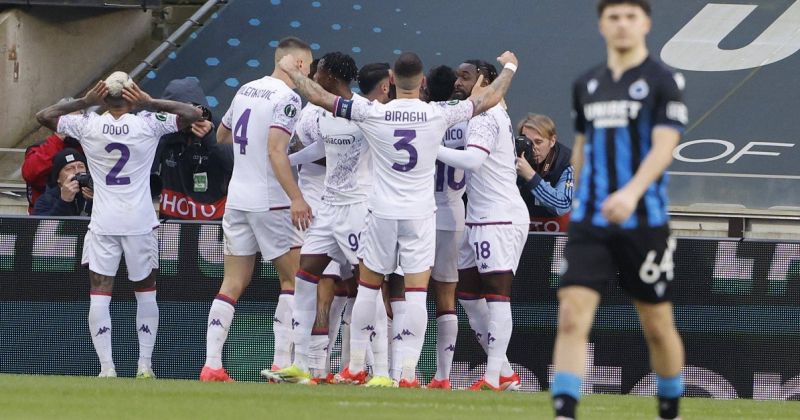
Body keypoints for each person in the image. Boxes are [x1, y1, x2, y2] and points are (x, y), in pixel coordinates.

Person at [279, 48, 519, 387]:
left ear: (392, 79)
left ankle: (355, 365)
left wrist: (292, 72)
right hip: (419, 215)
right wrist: (510, 68)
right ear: (422, 81)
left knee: (367, 288)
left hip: (381, 212)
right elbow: (488, 99)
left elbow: (319, 97)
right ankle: (406, 373)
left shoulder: (373, 112)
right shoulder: (438, 113)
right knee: (417, 294)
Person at [551, 1, 688, 419]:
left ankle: (669, 406)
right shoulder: (586, 84)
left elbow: (665, 147)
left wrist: (630, 193)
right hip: (590, 222)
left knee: (657, 325)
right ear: (601, 26)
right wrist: (578, 199)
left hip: (643, 220)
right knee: (571, 316)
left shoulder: (664, 81)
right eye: (614, 17)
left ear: (645, 23)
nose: (622, 24)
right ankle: (565, 411)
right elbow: (580, 147)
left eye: (630, 17)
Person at [35, 73, 203, 378]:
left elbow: (44, 116)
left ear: (104, 96)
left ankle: (107, 368)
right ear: (130, 95)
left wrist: (85, 101)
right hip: (139, 221)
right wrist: (150, 101)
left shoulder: (87, 124)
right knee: (146, 291)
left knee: (100, 291)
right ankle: (144, 365)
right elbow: (193, 114)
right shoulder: (148, 123)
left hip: (104, 221)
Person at [268, 52, 390, 386]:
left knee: (369, 285)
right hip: (328, 208)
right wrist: (286, 159)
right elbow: (322, 148)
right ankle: (301, 365)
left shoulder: (365, 111)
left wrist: (292, 72)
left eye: (318, 72)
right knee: (306, 276)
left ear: (331, 77)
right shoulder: (324, 114)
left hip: (357, 208)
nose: (315, 77)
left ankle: (382, 371)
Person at [200, 36, 313, 382]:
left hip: (237, 198)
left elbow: (222, 135)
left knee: (232, 282)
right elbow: (276, 151)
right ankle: (280, 364)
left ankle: (212, 365)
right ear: (297, 63)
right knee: (293, 280)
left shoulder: (246, 89)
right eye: (308, 66)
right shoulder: (288, 98)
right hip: (271, 200)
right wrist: (296, 197)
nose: (309, 73)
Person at [436, 59, 529, 391]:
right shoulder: (485, 113)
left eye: (466, 77)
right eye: (457, 76)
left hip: (499, 217)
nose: (458, 82)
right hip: (478, 216)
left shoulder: (485, 116)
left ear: (485, 82)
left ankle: (492, 378)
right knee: (468, 295)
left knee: (497, 297)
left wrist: (432, 148)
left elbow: (473, 160)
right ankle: (504, 371)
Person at [424, 64, 463, 390]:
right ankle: (443, 376)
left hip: (420, 213)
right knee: (446, 297)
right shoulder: (466, 120)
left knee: (408, 293)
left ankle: (400, 370)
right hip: (453, 215)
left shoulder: (422, 116)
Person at [152, 77, 233, 221]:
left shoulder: (218, 128)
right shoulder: (165, 132)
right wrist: (163, 133)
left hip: (212, 221)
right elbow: (145, 169)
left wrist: (210, 138)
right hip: (172, 220)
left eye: (188, 112)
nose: (185, 118)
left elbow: (236, 164)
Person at [22, 99, 84, 214]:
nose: (73, 125)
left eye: (77, 121)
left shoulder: (86, 146)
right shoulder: (41, 148)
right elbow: (30, 174)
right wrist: (59, 137)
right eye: (68, 121)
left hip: (84, 210)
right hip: (46, 211)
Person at [514, 113, 574, 232]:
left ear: (552, 141)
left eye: (538, 142)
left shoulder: (566, 161)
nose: (533, 148)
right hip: (521, 226)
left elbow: (563, 205)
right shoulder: (511, 156)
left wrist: (530, 176)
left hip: (555, 230)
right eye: (528, 142)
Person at [32, 148, 93, 216]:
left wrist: (95, 201)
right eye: (69, 168)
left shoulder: (94, 193)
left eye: (81, 167)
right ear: (58, 178)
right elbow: (44, 223)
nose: (77, 171)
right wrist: (64, 201)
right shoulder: (46, 200)